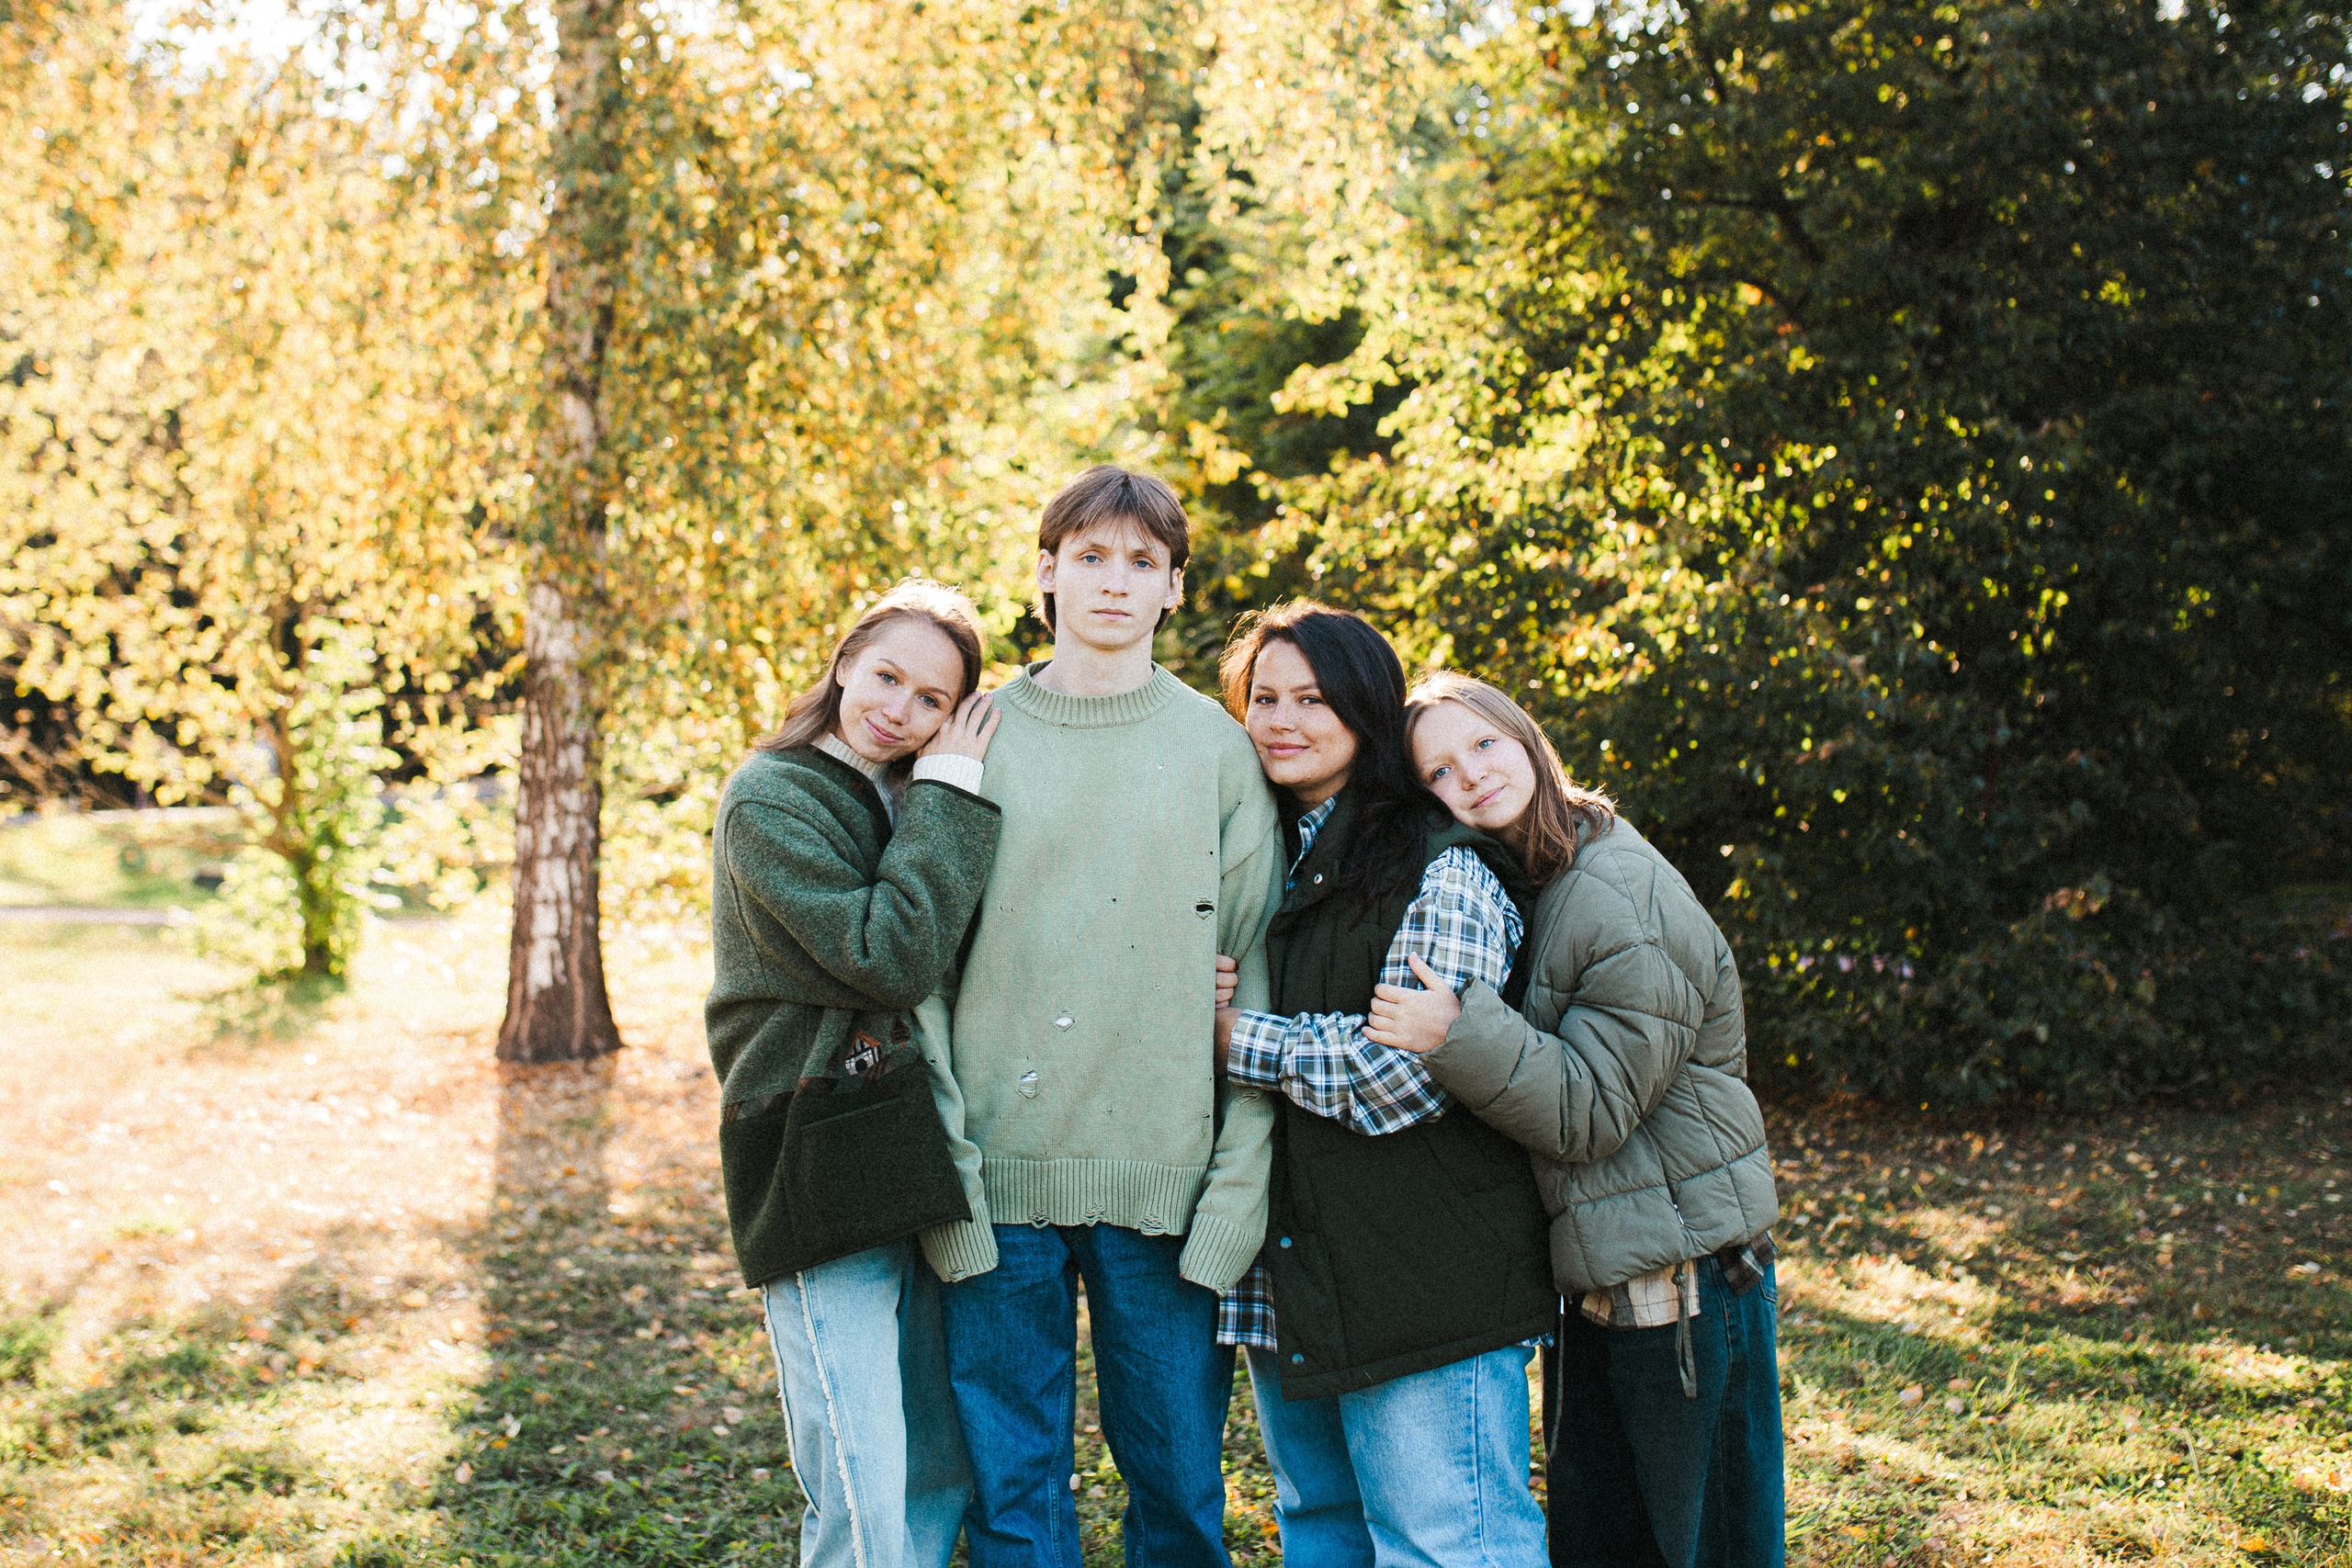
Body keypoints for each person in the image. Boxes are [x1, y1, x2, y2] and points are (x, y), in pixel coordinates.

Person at [926, 465, 1283, 1568]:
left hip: (1165, 1192)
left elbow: (1255, 974)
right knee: (1011, 1497)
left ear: (1175, 589)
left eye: (1142, 563)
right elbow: (922, 970)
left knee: (1178, 1490)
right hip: (998, 1182)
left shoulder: (1217, 750)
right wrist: (947, 1180)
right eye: (1090, 556)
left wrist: (1234, 1194)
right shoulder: (978, 734)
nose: (1114, 582)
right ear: (1045, 573)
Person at [1374, 671, 1784, 1568]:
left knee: (1699, 1545)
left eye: (1482, 743)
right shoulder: (1543, 875)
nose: (1471, 774)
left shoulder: (1614, 893)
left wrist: (1458, 1031)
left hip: (1682, 1280)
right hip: (1612, 1275)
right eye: (1439, 770)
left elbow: (1590, 1111)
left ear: (1523, 737)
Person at [1208, 603, 1554, 1568]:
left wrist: (1232, 1036)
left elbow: (1398, 1073)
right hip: (1297, 1268)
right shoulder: (1259, 856)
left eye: (1312, 699)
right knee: (1320, 1526)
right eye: (1262, 698)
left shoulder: (1439, 864)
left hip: (1425, 1273)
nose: (1281, 719)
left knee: (1450, 1544)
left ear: (1366, 711)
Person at [705, 579, 1005, 1568]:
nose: (900, 711)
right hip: (813, 1139)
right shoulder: (773, 796)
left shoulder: (890, 793)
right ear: (843, 662)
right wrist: (951, 793)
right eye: (886, 677)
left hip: (910, 1131)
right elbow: (891, 954)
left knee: (930, 1465)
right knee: (861, 1472)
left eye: (932, 701)